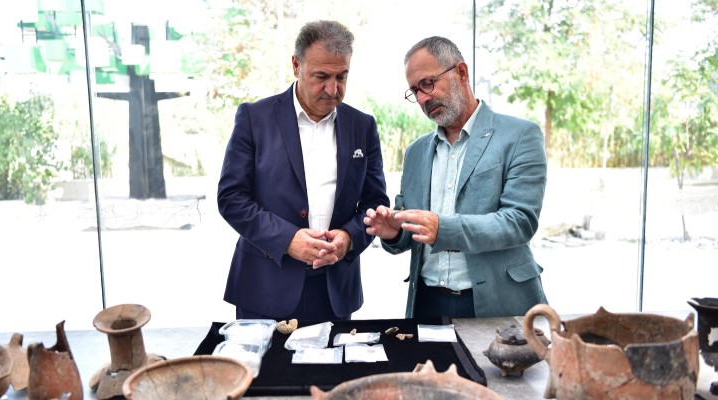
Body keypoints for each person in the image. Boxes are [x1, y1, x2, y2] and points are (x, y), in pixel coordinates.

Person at [364, 36, 548, 319]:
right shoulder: (415, 152)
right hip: (426, 304)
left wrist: (443, 229)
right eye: (415, 91)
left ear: (461, 72)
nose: (423, 98)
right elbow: (411, 228)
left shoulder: (520, 135)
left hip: (497, 302)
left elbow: (519, 222)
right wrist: (395, 232)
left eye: (428, 83)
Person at [217, 20, 389, 321]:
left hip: (335, 292)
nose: (333, 89)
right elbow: (231, 198)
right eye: (321, 76)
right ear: (297, 66)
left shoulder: (362, 126)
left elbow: (375, 203)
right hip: (265, 288)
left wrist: (349, 238)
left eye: (341, 76)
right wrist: (287, 240)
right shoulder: (254, 118)